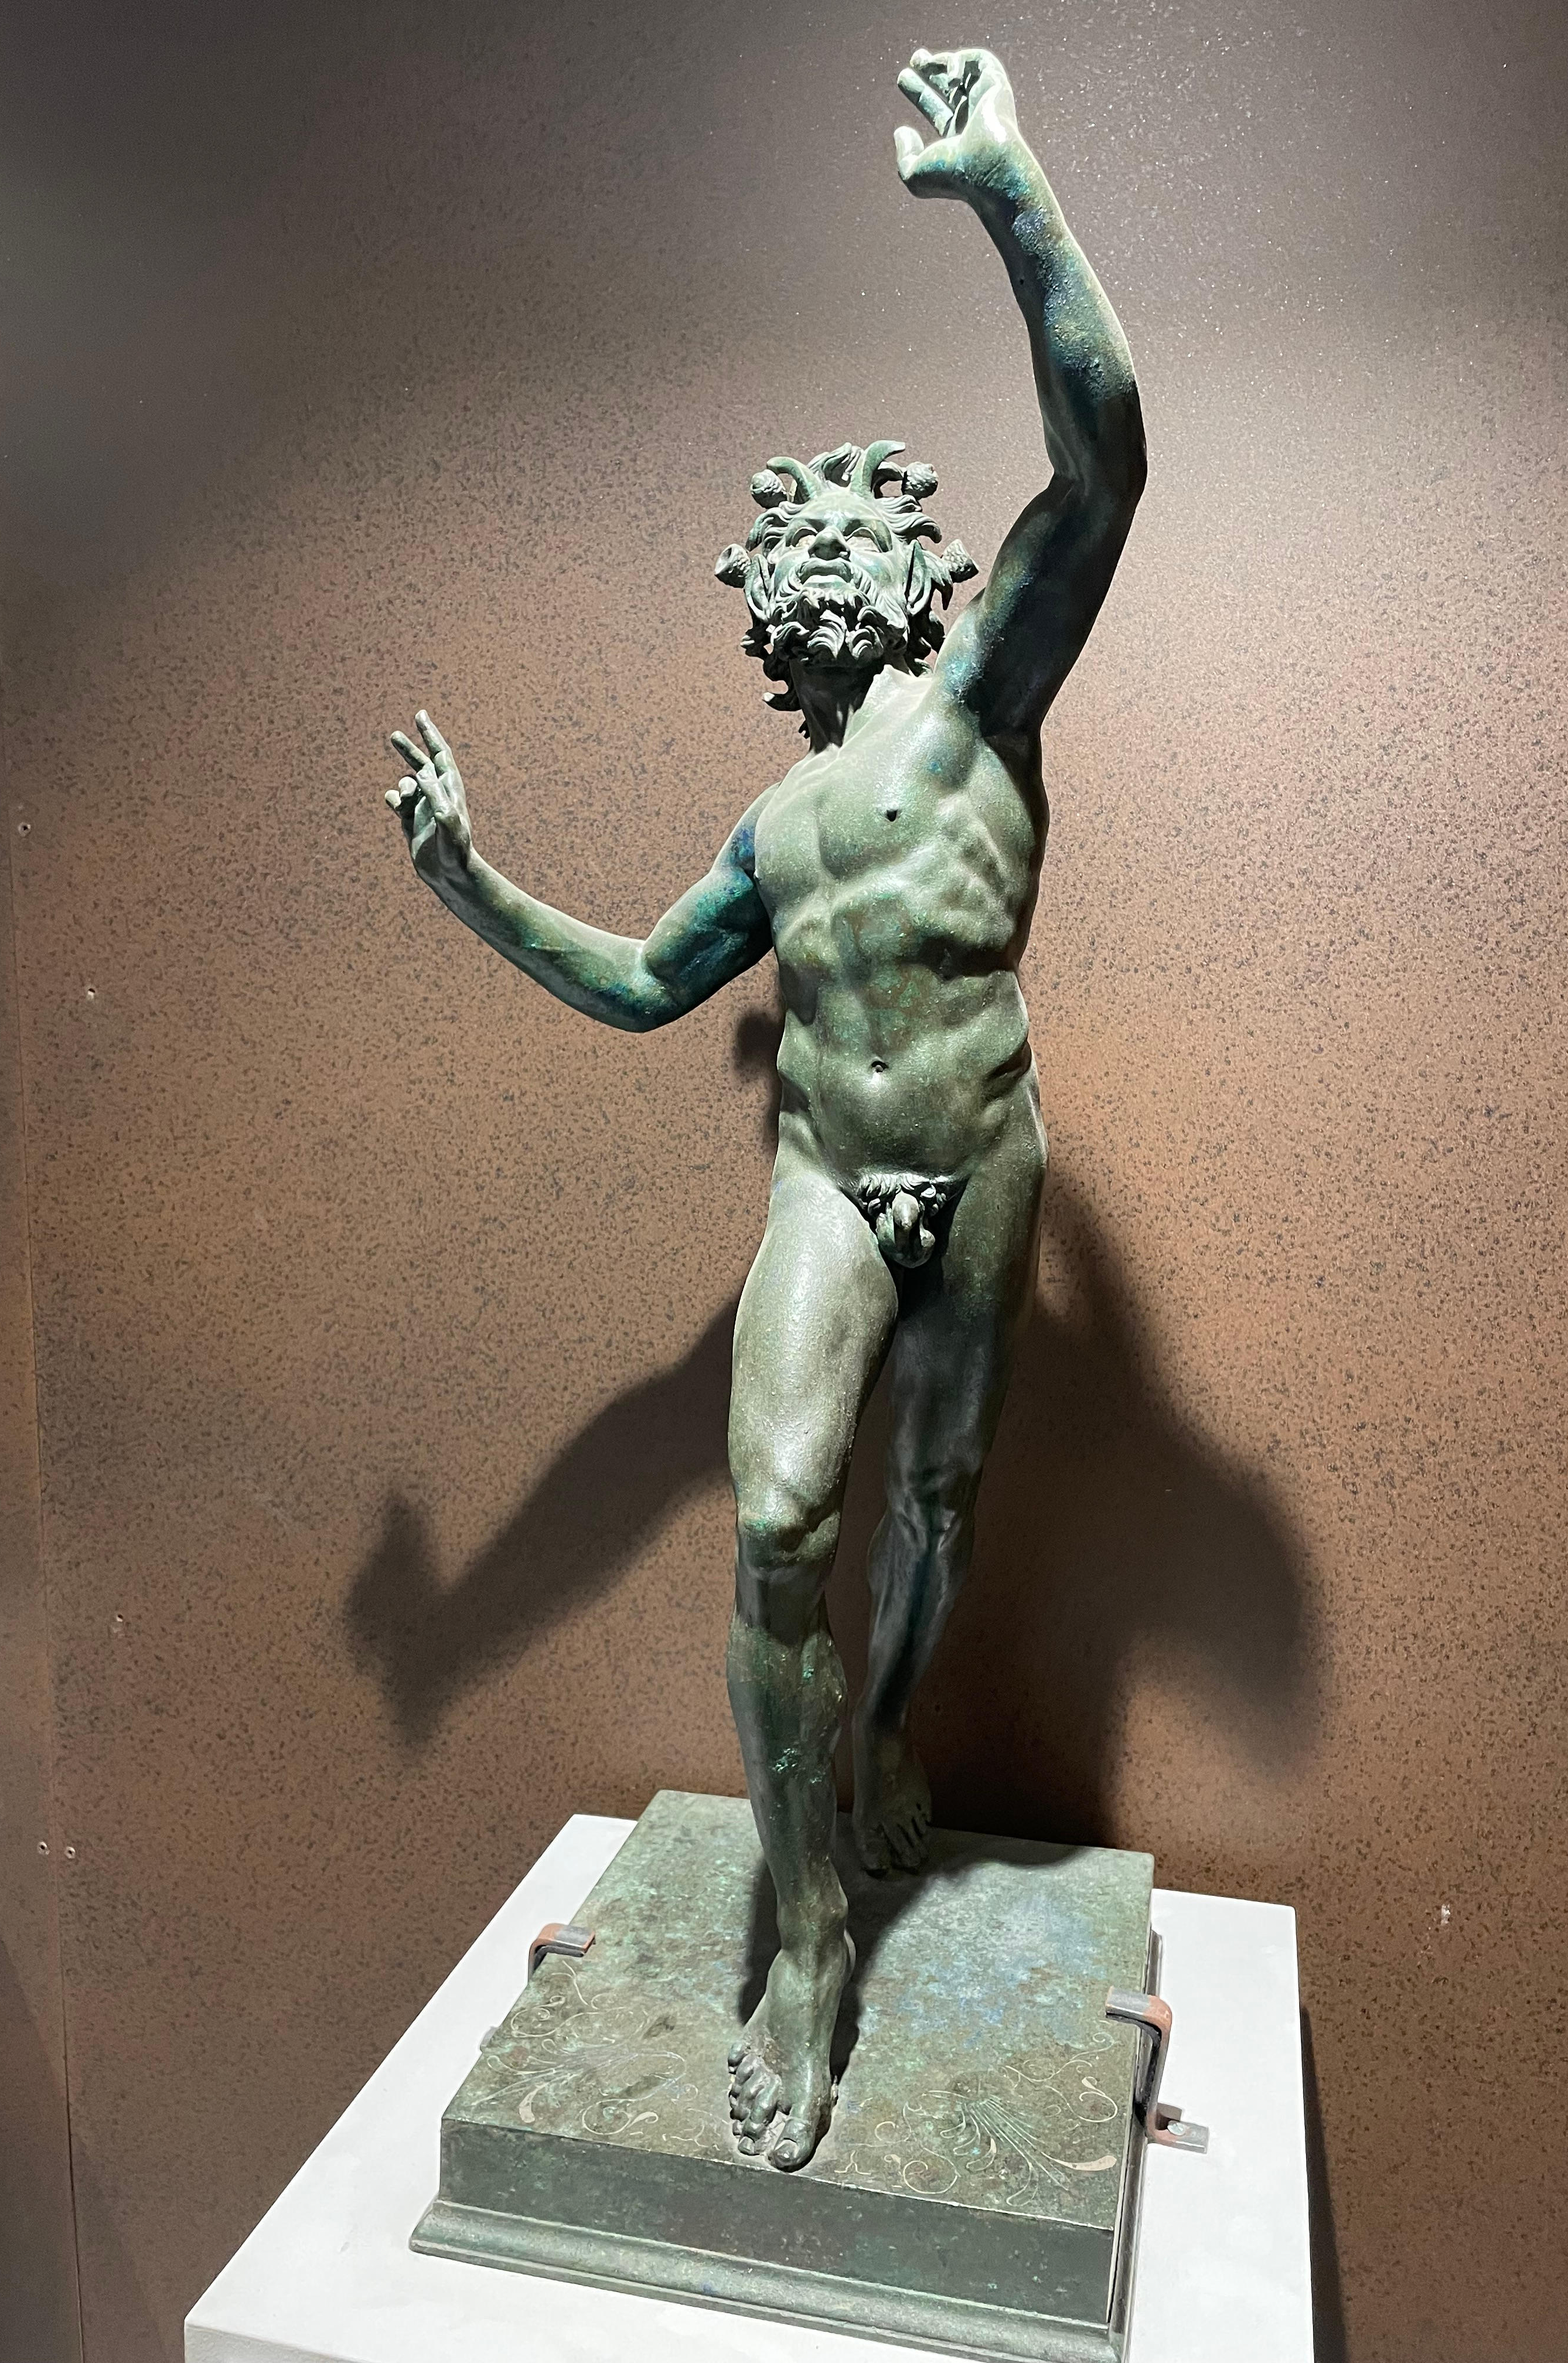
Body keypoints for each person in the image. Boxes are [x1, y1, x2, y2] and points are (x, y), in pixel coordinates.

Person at [384, 45, 1145, 2172]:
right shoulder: (779, 823)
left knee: (937, 1510)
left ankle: (882, 1742)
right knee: (784, 1524)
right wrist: (471, 884)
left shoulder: (985, 696)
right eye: (785, 545)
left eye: (844, 536)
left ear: (902, 577)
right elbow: (649, 983)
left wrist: (1009, 190)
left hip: (980, 1159)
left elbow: (1104, 463)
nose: (815, 565)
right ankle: (809, 1942)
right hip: (828, 1175)